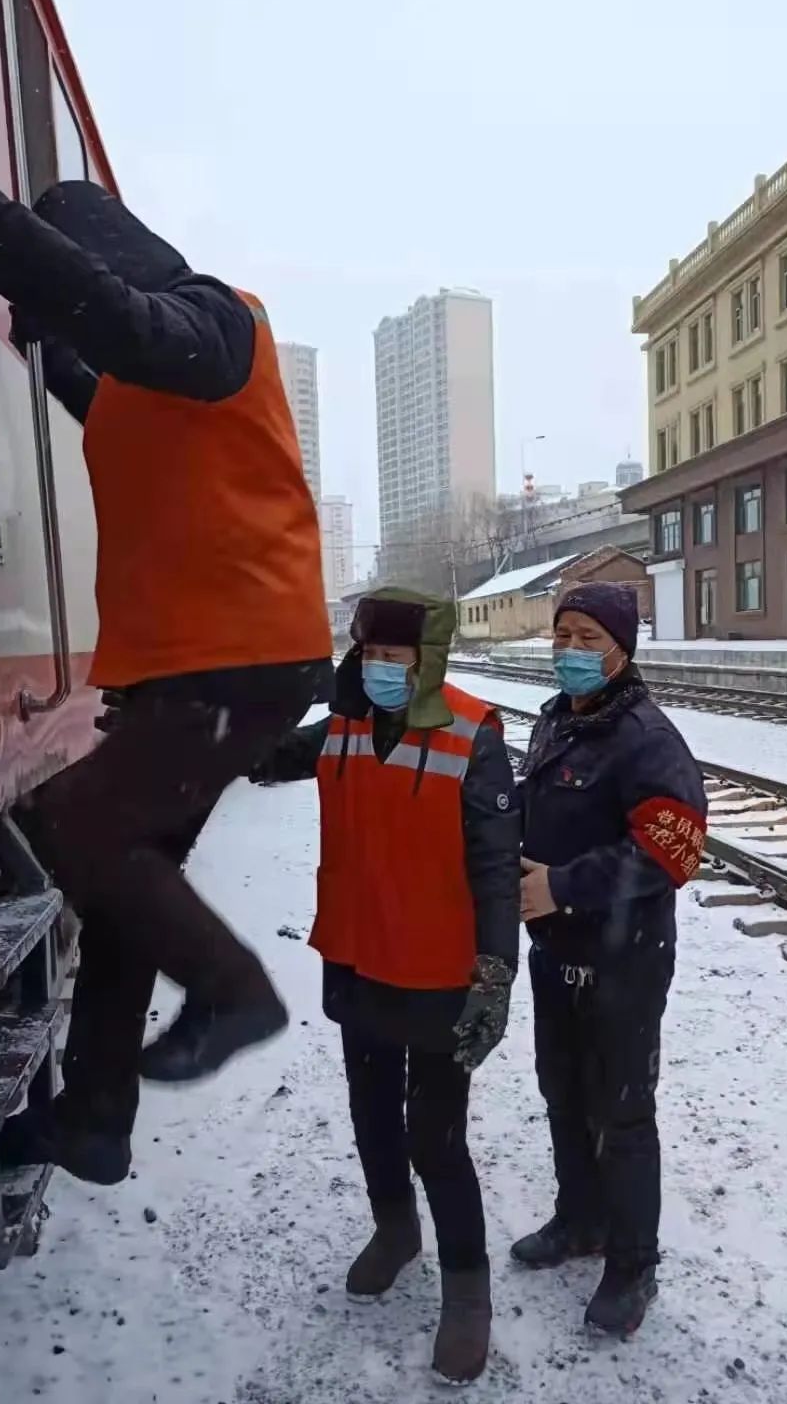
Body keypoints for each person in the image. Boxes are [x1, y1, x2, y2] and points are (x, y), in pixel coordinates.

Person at [0, 123, 333, 1183]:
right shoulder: (138, 385)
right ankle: (97, 1121)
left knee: (78, 825)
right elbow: (92, 361)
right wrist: (30, 333)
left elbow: (110, 312)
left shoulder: (220, 321)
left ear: (110, 252)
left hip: (240, 657)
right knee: (124, 885)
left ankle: (235, 991)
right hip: (196, 667)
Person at [252, 589, 520, 1383]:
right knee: (371, 1112)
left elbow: (497, 870)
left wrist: (495, 974)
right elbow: (265, 758)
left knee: (436, 1136)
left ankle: (467, 1292)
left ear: (426, 662)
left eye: (394, 657)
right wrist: (176, 733)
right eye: (369, 655)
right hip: (358, 956)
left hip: (438, 972)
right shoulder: (344, 725)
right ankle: (396, 1230)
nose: (378, 669)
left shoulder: (472, 736)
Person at [510, 582, 706, 1336]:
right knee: (562, 1093)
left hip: (626, 959)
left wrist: (562, 886)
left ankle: (632, 1266)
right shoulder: (557, 720)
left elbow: (672, 850)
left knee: (622, 1112)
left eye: (588, 638)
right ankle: (580, 1220)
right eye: (562, 635)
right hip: (555, 951)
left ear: (622, 649)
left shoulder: (647, 739)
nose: (571, 651)